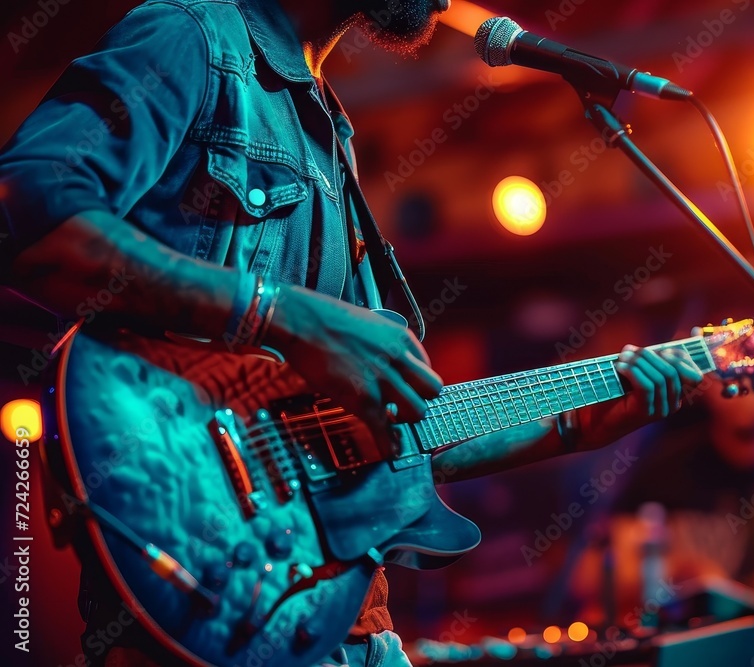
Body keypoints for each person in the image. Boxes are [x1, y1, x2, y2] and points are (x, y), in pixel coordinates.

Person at [0, 0, 705, 665]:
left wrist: (579, 425)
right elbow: (29, 217)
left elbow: (382, 434)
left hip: (343, 624)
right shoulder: (190, 36)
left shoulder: (326, 130)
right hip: (209, 602)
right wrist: (280, 312)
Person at [572, 362, 754, 634]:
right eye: (727, 375)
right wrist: (675, 571)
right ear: (705, 383)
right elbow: (588, 577)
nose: (743, 387)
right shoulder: (664, 465)